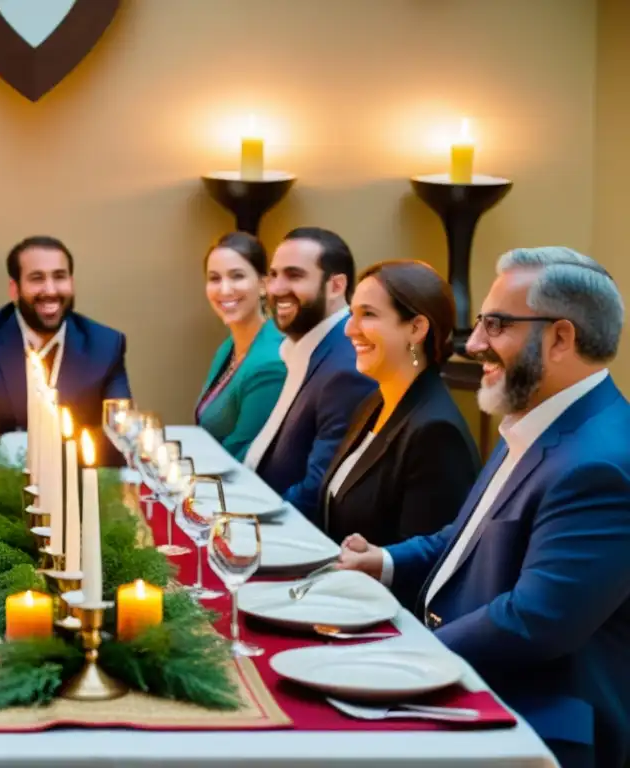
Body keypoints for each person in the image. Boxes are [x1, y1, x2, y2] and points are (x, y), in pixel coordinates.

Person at [338, 247, 630, 768]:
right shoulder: (535, 414)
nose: (472, 345)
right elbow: (465, 538)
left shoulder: (603, 463)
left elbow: (535, 619)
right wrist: (384, 562)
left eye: (495, 325)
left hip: (537, 724)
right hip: (474, 678)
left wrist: (408, 654)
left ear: (560, 337)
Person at [320, 260, 479, 546]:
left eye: (368, 314)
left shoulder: (436, 433)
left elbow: (423, 565)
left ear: (416, 328)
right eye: (351, 314)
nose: (349, 329)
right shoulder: (374, 402)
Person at [0, 235, 132, 458]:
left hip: (78, 482)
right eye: (37, 278)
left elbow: (119, 432)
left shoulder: (105, 344)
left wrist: (56, 453)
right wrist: (15, 451)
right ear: (14, 289)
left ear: (71, 282)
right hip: (1, 477)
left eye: (59, 277)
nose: (51, 290)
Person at [242, 227, 375, 521]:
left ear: (336, 286)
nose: (276, 288)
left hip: (287, 539)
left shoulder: (346, 366)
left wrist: (241, 518)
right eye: (273, 275)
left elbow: (317, 492)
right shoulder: (307, 345)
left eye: (294, 275)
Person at [196, 232, 286, 461]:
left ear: (264, 285)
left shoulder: (271, 362)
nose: (224, 290)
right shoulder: (227, 348)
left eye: (237, 276)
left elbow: (242, 458)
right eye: (215, 278)